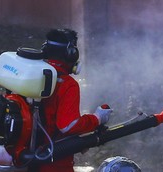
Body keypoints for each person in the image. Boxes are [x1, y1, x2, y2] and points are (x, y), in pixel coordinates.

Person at [32, 28, 112, 172]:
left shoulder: (31, 73)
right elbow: (68, 126)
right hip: (53, 161)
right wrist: (97, 119)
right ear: (71, 53)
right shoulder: (68, 84)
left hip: (23, 158)